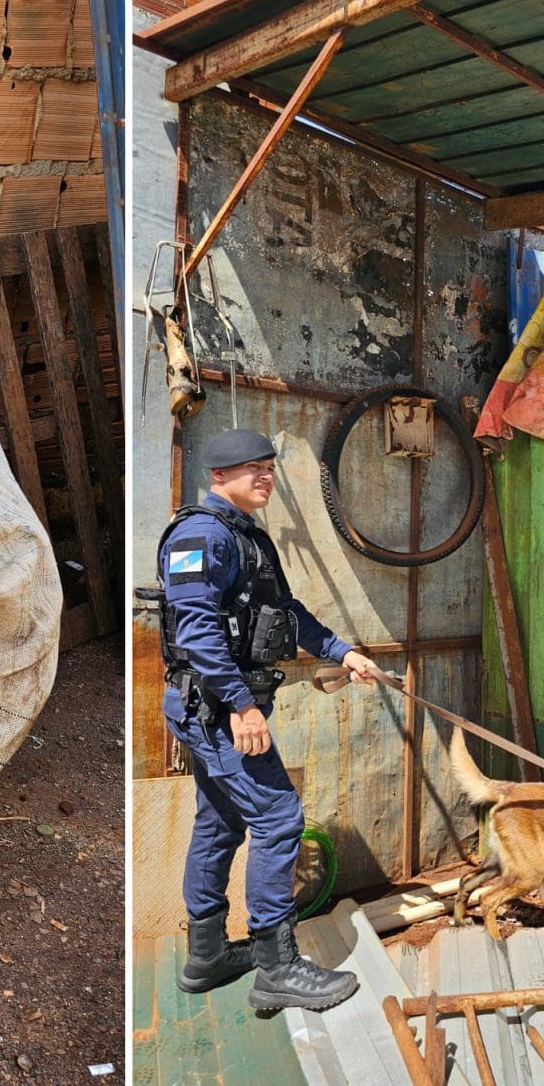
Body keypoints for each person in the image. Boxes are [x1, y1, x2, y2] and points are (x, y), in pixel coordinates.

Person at [156, 428, 379, 1011]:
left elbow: (286, 611)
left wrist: (342, 652)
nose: (265, 477)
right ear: (218, 475)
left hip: (218, 707)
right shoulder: (201, 535)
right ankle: (277, 967)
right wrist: (241, 705)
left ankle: (206, 956)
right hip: (216, 709)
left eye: (270, 467)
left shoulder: (243, 536)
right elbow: (196, 631)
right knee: (279, 818)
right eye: (251, 468)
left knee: (220, 823)